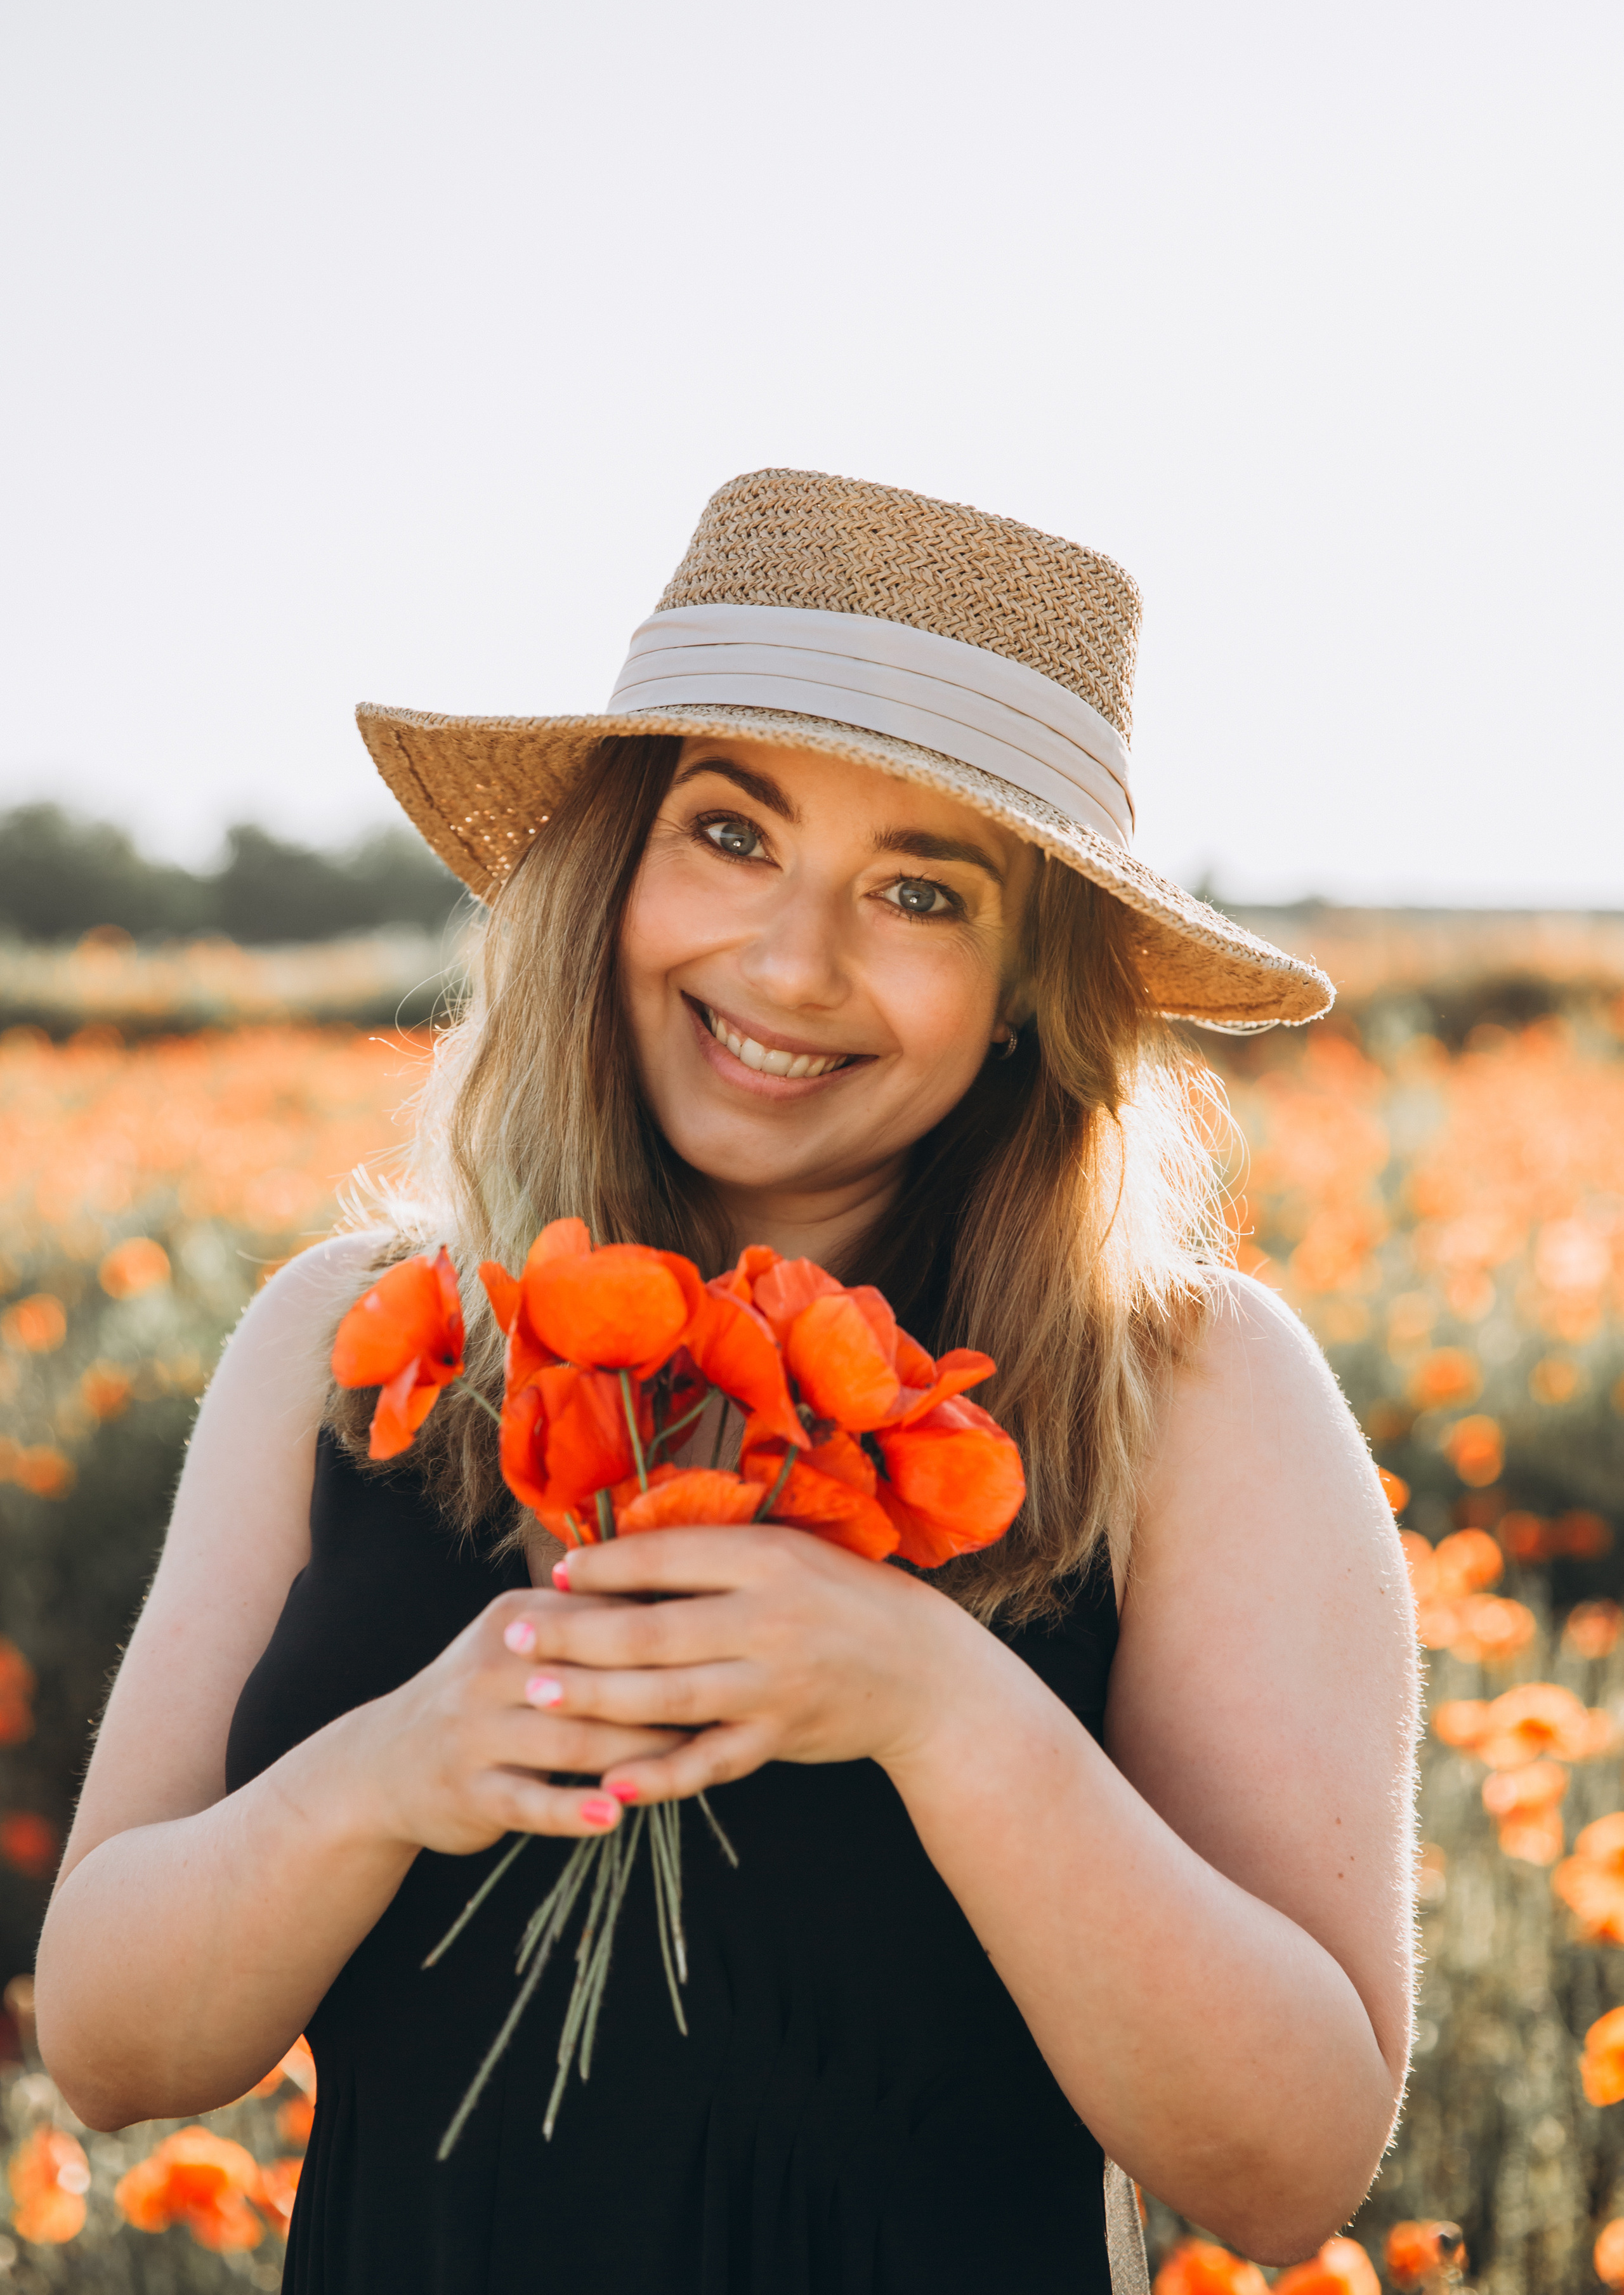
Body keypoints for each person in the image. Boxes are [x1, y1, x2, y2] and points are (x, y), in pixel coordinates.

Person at [35, 470, 1415, 2294]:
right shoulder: (351, 1336)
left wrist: (937, 1703)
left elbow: (1290, 2172)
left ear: (1028, 986)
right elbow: (110, 2051)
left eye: (920, 892)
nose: (789, 962)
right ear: (613, 865)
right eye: (730, 833)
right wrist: (388, 1774)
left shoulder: (1189, 1390)